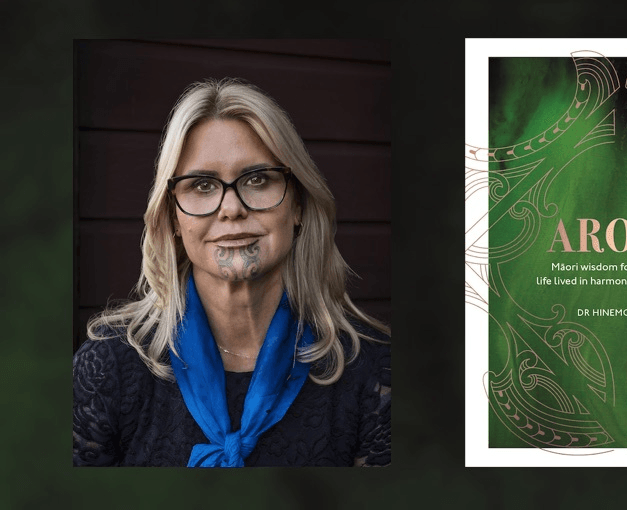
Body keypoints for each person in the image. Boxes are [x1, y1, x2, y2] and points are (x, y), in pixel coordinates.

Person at [73, 78, 390, 467]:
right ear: (172, 217)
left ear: (298, 205)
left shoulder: (372, 369)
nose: (231, 209)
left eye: (257, 179)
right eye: (202, 185)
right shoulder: (108, 367)